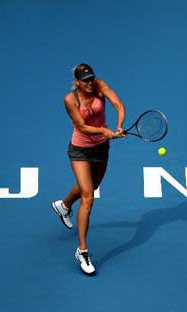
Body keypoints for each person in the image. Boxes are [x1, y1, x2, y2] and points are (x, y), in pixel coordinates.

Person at [52, 63, 126, 275]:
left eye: (91, 78)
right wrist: (104, 130)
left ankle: (64, 205)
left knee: (91, 186)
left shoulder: (100, 86)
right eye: (85, 80)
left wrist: (119, 126)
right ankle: (82, 251)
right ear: (77, 82)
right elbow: (83, 127)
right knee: (88, 197)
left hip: (101, 149)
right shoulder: (70, 100)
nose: (90, 82)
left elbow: (118, 105)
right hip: (80, 151)